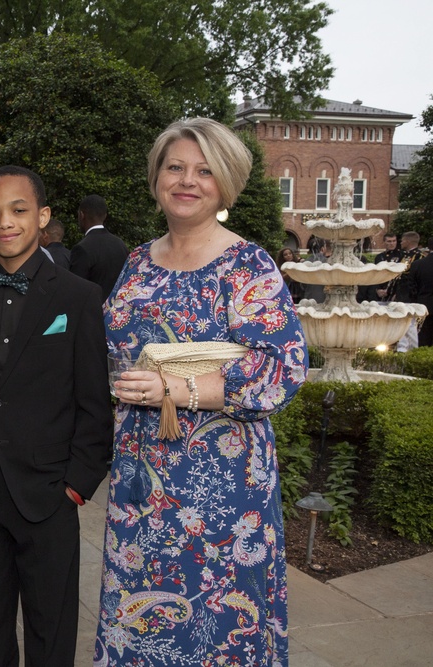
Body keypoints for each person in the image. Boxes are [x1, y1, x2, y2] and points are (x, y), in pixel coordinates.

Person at [95, 118, 307, 667]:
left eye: (204, 171)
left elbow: (281, 369)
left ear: (226, 184)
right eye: (175, 167)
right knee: (143, 624)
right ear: (157, 177)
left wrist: (175, 385)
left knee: (217, 627)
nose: (187, 180)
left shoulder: (248, 265)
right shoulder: (137, 262)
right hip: (141, 479)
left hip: (220, 487)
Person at [0, 165, 113, 666]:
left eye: (18, 210)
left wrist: (77, 483)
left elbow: (93, 404)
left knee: (51, 628)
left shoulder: (78, 297)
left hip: (50, 491)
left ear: (43, 216)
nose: (5, 223)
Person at [70, 194, 129, 300]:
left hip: (93, 313)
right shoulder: (120, 245)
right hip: (118, 312)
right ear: (105, 216)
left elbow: (75, 290)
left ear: (82, 215)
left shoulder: (82, 249)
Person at [393, 231, 425, 352]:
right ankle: (403, 347)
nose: (400, 242)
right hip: (401, 293)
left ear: (408, 241)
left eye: (402, 240)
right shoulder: (403, 255)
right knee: (402, 321)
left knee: (409, 322)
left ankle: (410, 348)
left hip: (409, 294)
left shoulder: (419, 257)